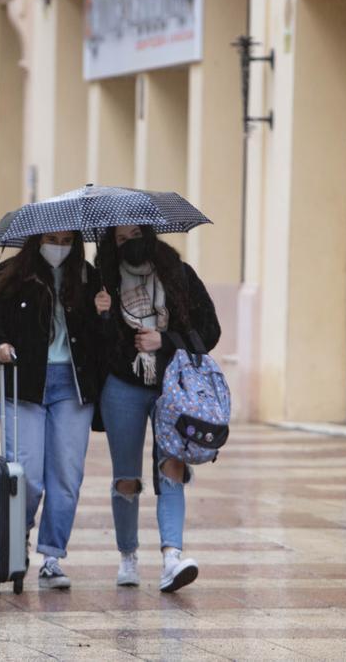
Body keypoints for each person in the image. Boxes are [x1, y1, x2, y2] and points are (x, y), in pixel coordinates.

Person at [93, 224, 221, 593]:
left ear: (149, 234)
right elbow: (93, 346)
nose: (129, 244)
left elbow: (210, 331)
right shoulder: (104, 281)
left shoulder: (177, 274)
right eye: (120, 239)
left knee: (172, 469)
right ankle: (128, 556)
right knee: (127, 477)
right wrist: (101, 314)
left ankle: (171, 557)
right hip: (122, 387)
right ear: (110, 245)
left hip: (172, 390)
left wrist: (163, 340)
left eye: (135, 235)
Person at [0, 231, 101, 590]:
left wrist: (101, 313)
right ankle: (18, 535)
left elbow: (102, 340)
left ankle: (52, 557)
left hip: (72, 388)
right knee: (26, 474)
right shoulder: (13, 273)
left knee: (67, 477)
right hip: (25, 383)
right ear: (36, 239)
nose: (58, 245)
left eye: (66, 240)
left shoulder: (89, 279)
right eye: (51, 238)